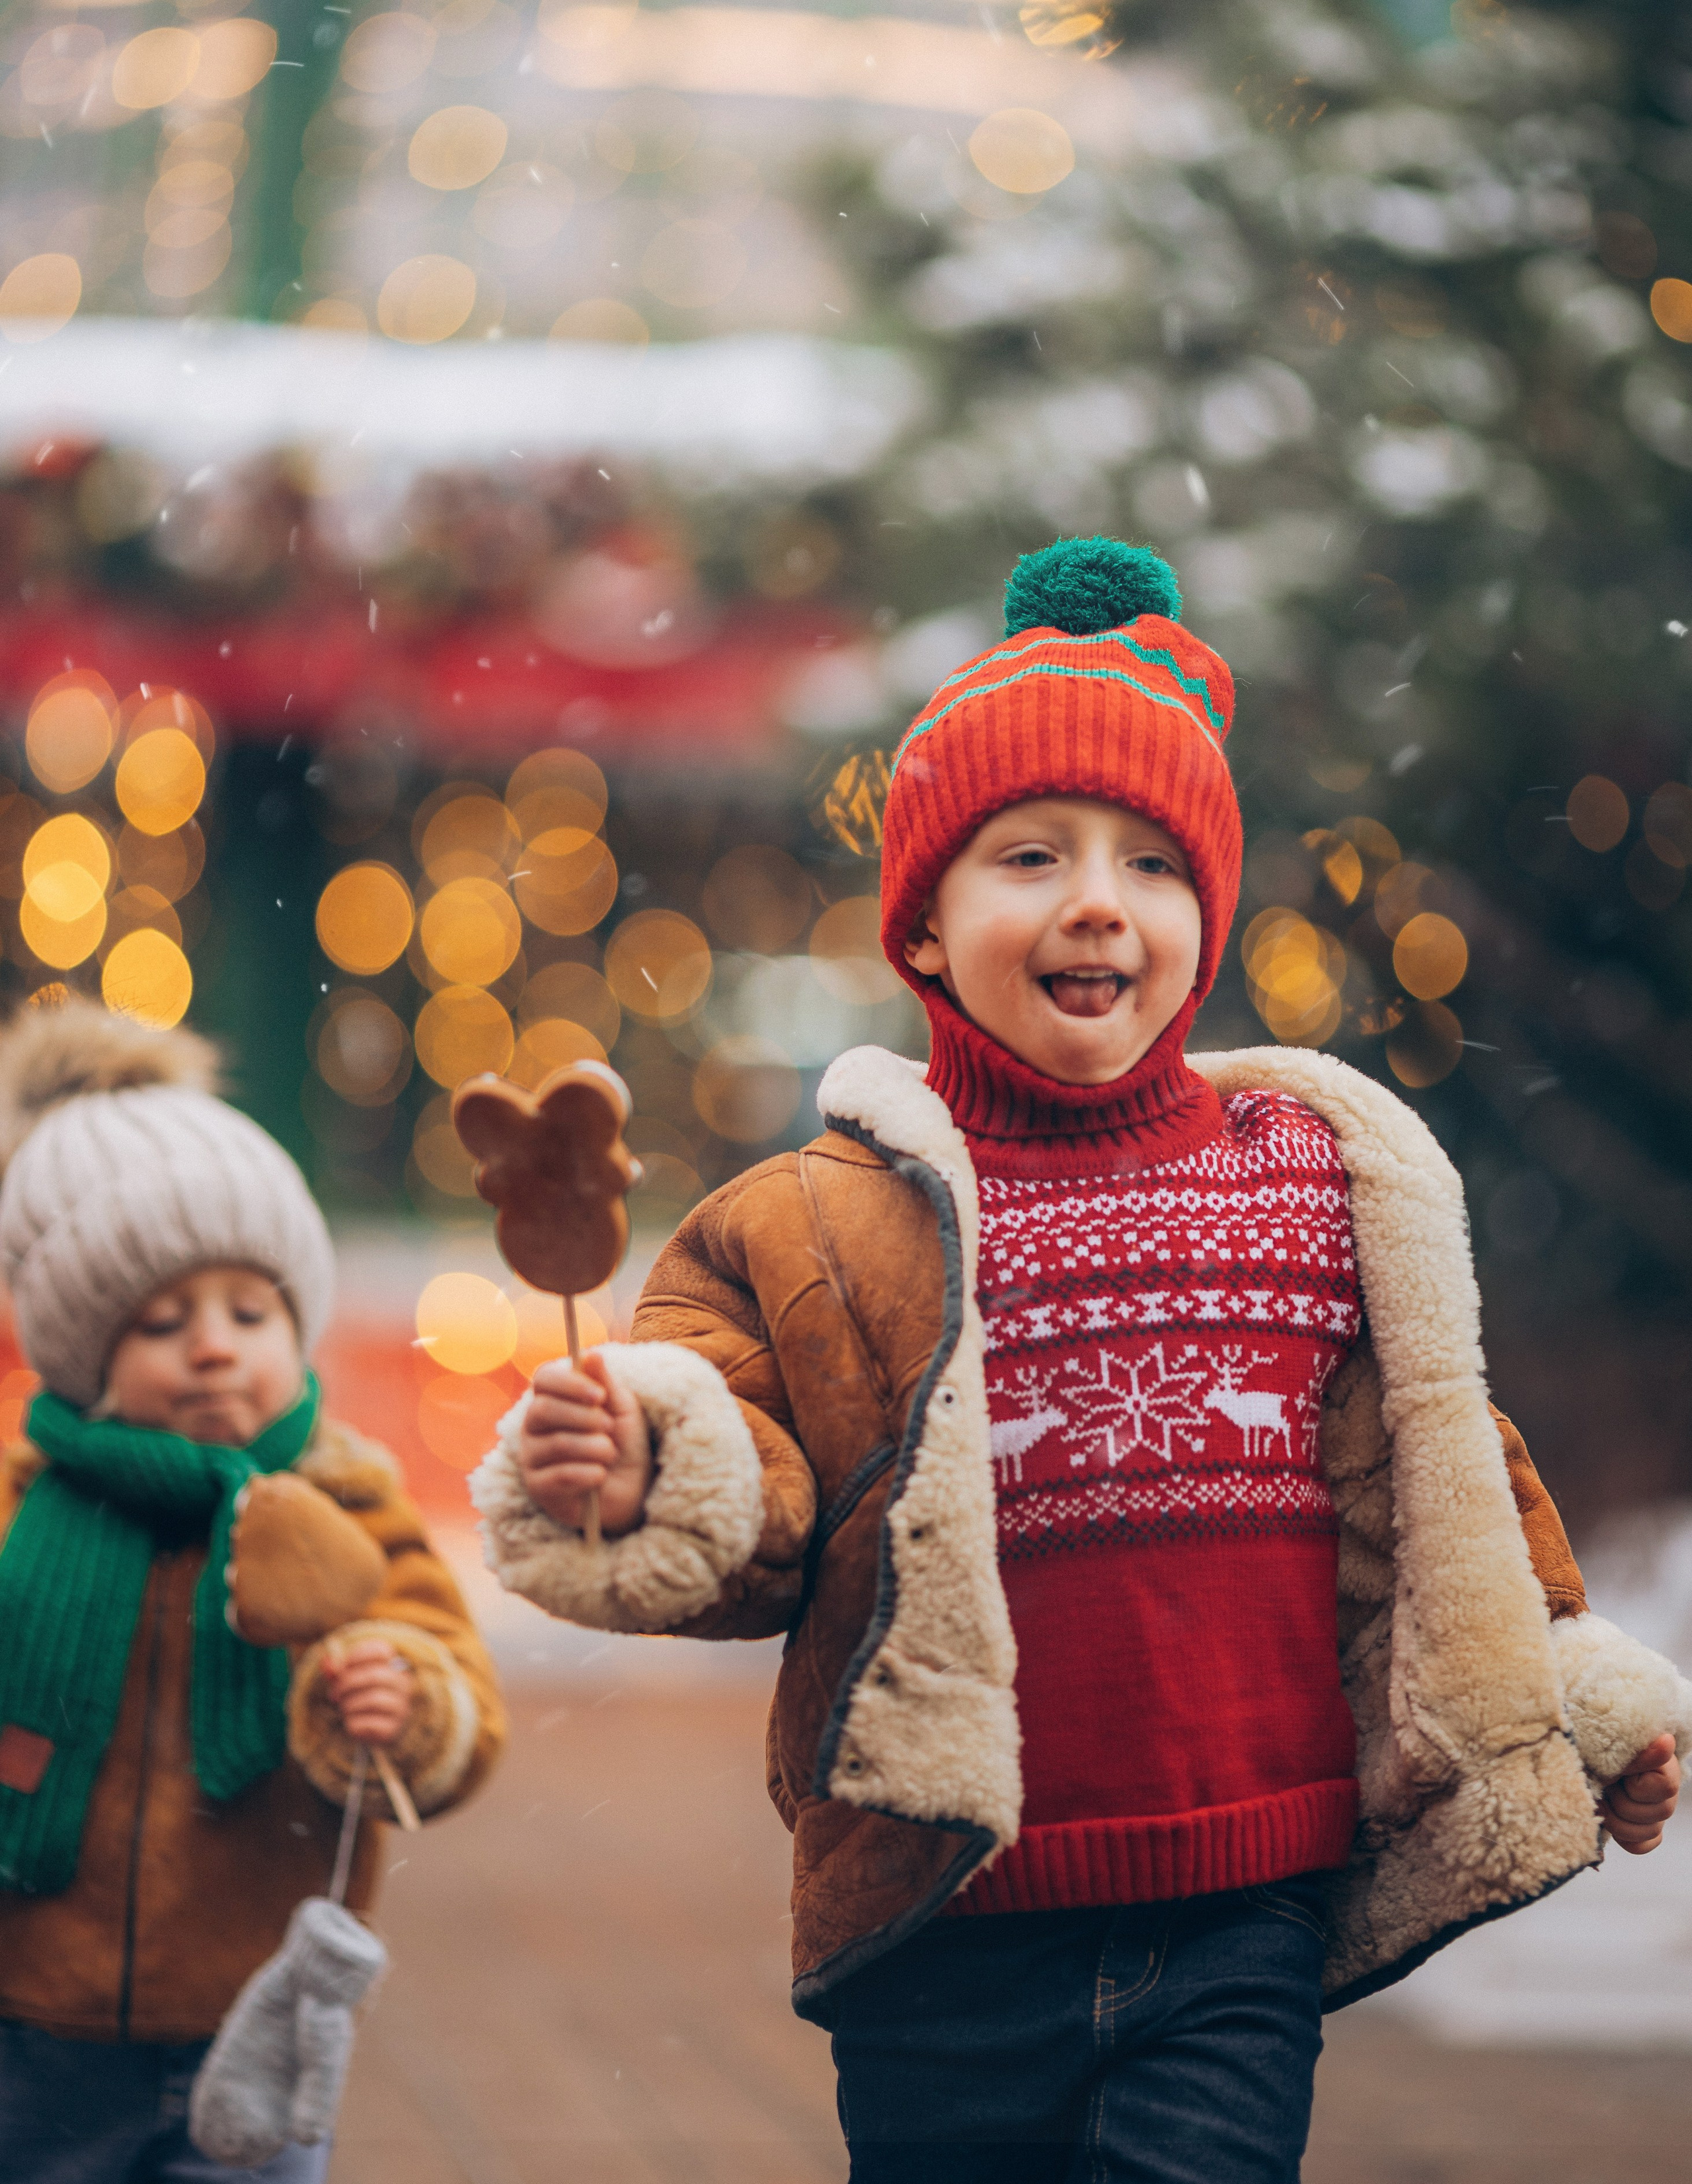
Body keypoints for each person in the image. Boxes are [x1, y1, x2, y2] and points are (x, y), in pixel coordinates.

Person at [474, 537, 1688, 2182]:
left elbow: (1438, 1470)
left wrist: (1569, 1686)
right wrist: (646, 1467)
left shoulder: (1304, 1179)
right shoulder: (820, 1222)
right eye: (1028, 855)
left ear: (1206, 910)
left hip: (1238, 1910)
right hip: (939, 1917)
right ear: (920, 924)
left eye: (1151, 863)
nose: (1095, 902)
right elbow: (752, 1473)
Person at [0, 999, 505, 2183]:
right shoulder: (24, 1505)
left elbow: (449, 1673)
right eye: (162, 1321)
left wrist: (410, 1702)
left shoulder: (344, 1496)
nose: (216, 1347)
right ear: (78, 1351)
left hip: (259, 2001)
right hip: (31, 2016)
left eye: (250, 1310)